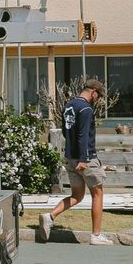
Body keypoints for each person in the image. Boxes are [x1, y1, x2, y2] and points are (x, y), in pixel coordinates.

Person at [39, 78, 111, 245]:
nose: (97, 100)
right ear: (93, 92)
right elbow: (83, 135)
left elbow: (66, 132)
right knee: (98, 194)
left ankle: (49, 216)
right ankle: (96, 235)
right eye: (98, 96)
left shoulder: (68, 106)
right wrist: (85, 159)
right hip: (85, 159)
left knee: (77, 196)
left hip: (70, 158)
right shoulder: (85, 109)